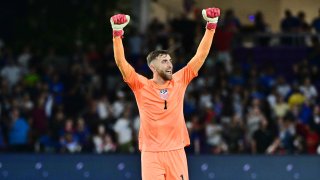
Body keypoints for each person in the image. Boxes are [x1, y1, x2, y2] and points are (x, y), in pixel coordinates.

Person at [110, 7, 220, 180]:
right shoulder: (141, 85)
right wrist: (117, 34)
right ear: (152, 67)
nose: (170, 65)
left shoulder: (179, 80)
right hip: (151, 153)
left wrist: (211, 26)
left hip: (176, 151)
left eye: (170, 61)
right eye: (164, 61)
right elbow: (121, 63)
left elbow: (200, 56)